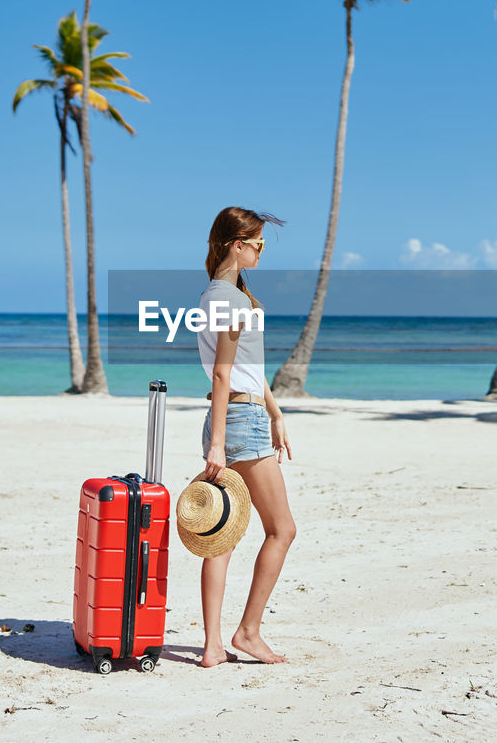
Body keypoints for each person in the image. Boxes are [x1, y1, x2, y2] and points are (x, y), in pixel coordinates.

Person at [196, 206, 295, 667]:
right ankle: (248, 632)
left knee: (223, 535)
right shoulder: (232, 301)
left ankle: (213, 645)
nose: (261, 252)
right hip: (237, 422)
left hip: (236, 417)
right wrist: (219, 443)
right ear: (238, 244)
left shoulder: (216, 294)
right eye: (257, 244)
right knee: (282, 529)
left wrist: (275, 412)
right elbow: (222, 373)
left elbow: (244, 369)